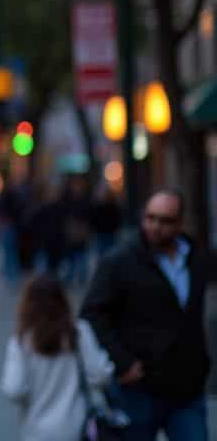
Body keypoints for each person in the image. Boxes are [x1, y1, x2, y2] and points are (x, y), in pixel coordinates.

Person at [81, 188, 210, 441]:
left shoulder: (195, 258)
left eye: (165, 220)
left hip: (188, 388)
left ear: (180, 223)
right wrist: (121, 362)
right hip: (138, 390)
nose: (155, 226)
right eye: (150, 218)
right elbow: (91, 314)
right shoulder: (119, 261)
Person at [0, 273, 114, 441]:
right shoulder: (79, 333)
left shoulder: (22, 342)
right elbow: (100, 374)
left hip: (36, 430)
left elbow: (14, 388)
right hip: (76, 426)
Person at [60, 175, 92, 287]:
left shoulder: (84, 198)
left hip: (81, 230)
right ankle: (72, 276)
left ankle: (81, 277)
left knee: (81, 256)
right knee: (73, 256)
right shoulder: (68, 198)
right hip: (73, 230)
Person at [89, 185, 124, 261]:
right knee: (106, 255)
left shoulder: (111, 206)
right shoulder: (99, 206)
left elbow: (118, 219)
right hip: (102, 235)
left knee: (108, 255)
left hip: (108, 234)